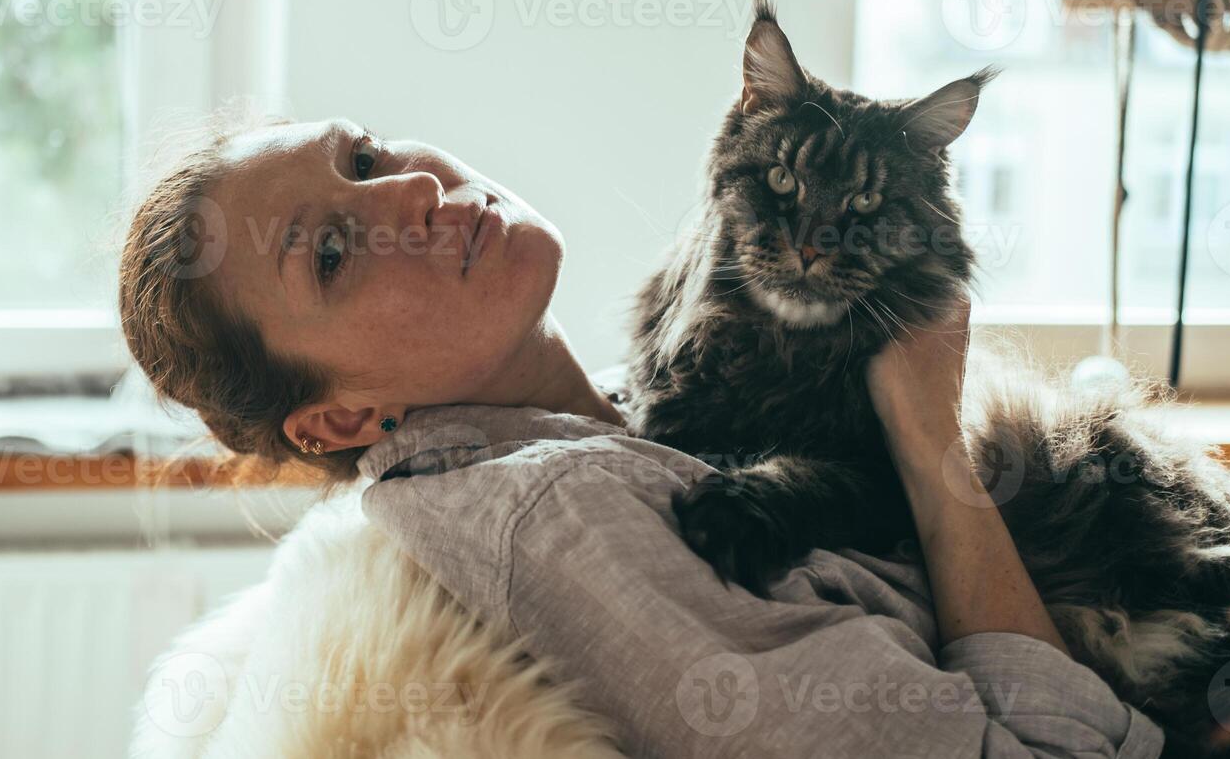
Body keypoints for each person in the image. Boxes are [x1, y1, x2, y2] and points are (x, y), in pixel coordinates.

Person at [119, 117, 1162, 757]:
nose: (414, 187)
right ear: (342, 419)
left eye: (363, 153)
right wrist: (932, 437)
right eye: (335, 252)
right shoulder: (553, 519)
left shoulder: (626, 408)